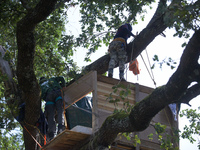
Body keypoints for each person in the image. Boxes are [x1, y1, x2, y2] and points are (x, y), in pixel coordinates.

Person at [39, 76, 66, 141]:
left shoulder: (39, 86)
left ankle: (52, 134)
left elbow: (39, 96)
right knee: (60, 110)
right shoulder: (51, 79)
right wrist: (63, 86)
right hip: (57, 93)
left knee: (51, 115)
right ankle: (60, 127)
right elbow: (61, 78)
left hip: (48, 98)